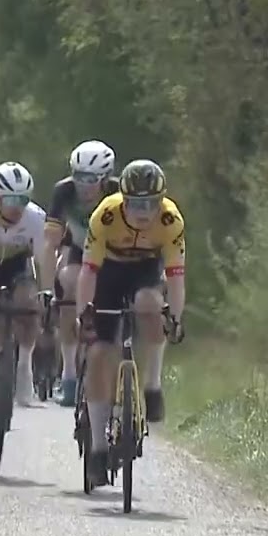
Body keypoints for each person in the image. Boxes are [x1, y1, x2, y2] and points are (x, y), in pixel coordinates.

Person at [76, 159, 185, 486]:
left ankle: (152, 385)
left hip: (145, 273)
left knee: (151, 304)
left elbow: (176, 278)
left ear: (161, 200)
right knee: (99, 356)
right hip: (108, 274)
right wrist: (85, 314)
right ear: (122, 198)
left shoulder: (170, 219)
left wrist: (175, 318)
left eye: (150, 203)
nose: (143, 211)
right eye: (135, 203)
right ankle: (96, 449)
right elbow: (87, 273)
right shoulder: (105, 215)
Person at [0, 162, 53, 447]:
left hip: (18, 267)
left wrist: (48, 292)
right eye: (11, 199)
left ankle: (25, 364)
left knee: (29, 301)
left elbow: (44, 259)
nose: (17, 207)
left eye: (23, 200)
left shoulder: (35, 218)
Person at [43, 140, 119, 407]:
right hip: (80, 249)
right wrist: (48, 288)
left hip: (115, 255)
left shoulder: (117, 191)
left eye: (91, 179)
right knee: (67, 283)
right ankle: (69, 375)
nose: (84, 185)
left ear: (106, 177)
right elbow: (51, 240)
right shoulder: (63, 191)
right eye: (79, 176)